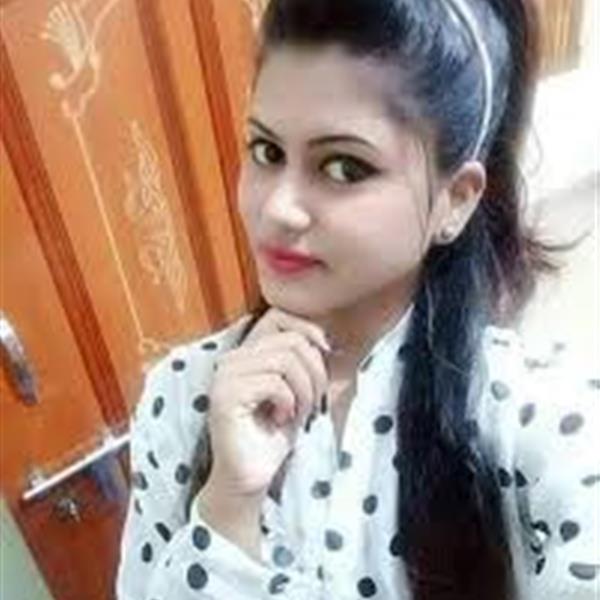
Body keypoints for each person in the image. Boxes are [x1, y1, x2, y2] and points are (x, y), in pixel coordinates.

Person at [115, 0, 599, 598]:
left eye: (344, 167)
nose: (277, 209)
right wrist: (228, 507)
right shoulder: (181, 396)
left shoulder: (535, 415)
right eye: (266, 152)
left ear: (455, 200)